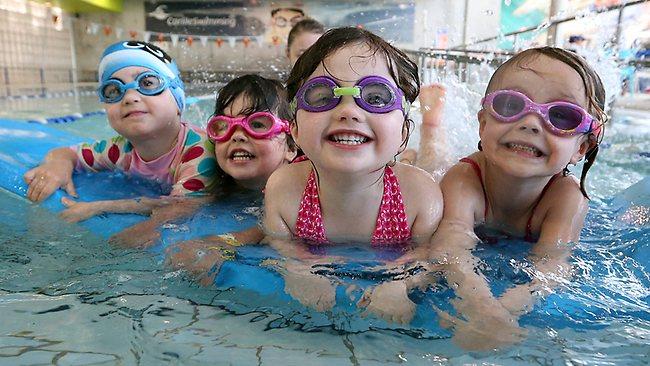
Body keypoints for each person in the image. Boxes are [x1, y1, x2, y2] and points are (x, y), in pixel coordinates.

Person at [408, 47, 606, 350]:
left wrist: (504, 311)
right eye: (511, 104)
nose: (530, 123)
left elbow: (552, 264)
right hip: (450, 177)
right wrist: (478, 305)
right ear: (484, 124)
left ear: (582, 148)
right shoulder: (464, 179)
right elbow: (451, 247)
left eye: (562, 116)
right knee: (431, 166)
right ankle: (431, 127)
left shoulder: (567, 198)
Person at [262, 27, 444, 314]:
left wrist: (400, 282)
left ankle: (431, 129)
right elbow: (279, 244)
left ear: (403, 133)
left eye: (376, 98)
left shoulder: (420, 195)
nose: (348, 111)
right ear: (294, 129)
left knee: (423, 161)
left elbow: (428, 255)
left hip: (401, 170)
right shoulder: (283, 189)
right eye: (322, 96)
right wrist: (299, 269)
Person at [24, 41, 218, 219]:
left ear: (178, 102)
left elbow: (183, 205)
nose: (130, 97)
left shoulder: (200, 151)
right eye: (114, 91)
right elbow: (67, 153)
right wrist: (57, 166)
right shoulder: (119, 150)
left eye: (148, 83)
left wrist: (99, 207)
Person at [160, 74, 297, 281]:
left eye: (258, 125)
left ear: (292, 145)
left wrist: (222, 242)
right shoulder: (213, 178)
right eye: (223, 126)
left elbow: (278, 226)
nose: (237, 135)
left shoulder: (301, 183)